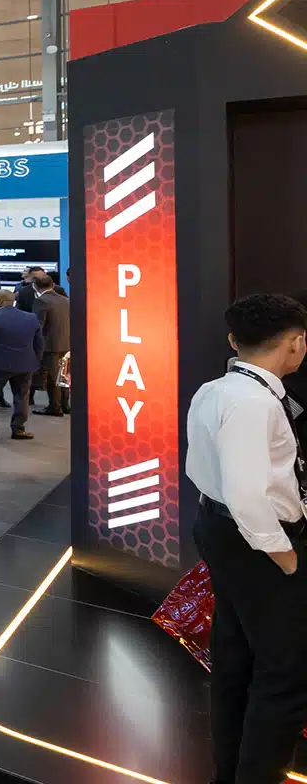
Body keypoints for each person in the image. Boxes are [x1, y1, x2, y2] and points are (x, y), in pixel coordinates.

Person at [185, 294, 307, 784]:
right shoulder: (255, 403)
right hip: (258, 541)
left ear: (234, 340)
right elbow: (247, 495)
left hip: (219, 530)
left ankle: (231, 771)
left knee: (235, 652)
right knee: (285, 672)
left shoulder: (216, 390)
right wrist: (287, 559)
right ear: (296, 343)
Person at [0, 288, 42, 440]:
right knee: (21, 396)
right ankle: (18, 429)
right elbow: (39, 344)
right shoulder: (31, 318)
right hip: (25, 364)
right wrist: (35, 360)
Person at [33, 272, 71, 416]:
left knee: (52, 377)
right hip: (66, 342)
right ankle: (65, 405)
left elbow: (38, 325)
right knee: (64, 377)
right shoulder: (65, 300)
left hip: (50, 345)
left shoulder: (41, 301)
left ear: (35, 286)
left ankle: (55, 407)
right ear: (53, 284)